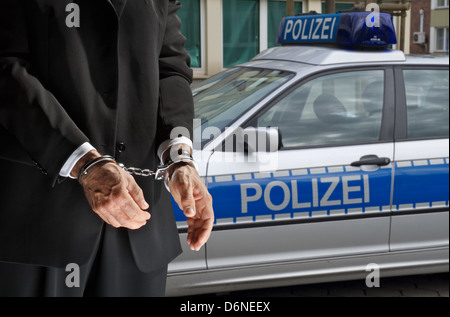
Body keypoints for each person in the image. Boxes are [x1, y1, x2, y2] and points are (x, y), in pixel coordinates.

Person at [0, 0, 214, 297]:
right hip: (38, 232)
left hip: (140, 233)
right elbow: (6, 67)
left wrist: (179, 158)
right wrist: (83, 161)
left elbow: (170, 67)